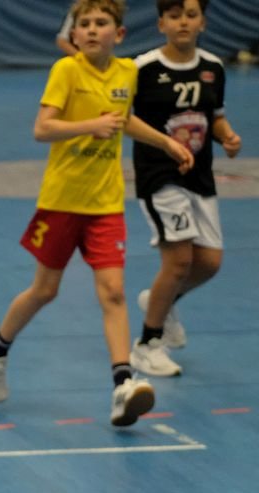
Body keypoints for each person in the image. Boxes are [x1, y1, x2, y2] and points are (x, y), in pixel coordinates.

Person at [0, 0, 194, 427]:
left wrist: (166, 142)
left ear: (119, 34)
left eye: (101, 23)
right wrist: (89, 126)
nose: (91, 29)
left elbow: (123, 120)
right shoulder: (66, 71)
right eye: (84, 24)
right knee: (45, 290)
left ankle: (122, 385)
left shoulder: (126, 72)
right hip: (62, 199)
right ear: (73, 36)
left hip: (105, 203)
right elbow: (42, 129)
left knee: (113, 292)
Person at [129, 0, 242, 377]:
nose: (183, 22)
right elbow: (123, 119)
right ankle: (147, 345)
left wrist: (227, 137)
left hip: (199, 175)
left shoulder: (213, 67)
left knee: (208, 263)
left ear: (203, 23)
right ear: (161, 23)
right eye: (174, 16)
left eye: (191, 15)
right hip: (159, 174)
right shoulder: (143, 68)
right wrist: (164, 144)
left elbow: (216, 117)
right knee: (178, 261)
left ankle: (159, 301)